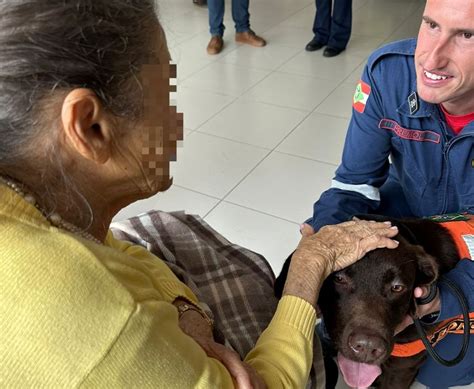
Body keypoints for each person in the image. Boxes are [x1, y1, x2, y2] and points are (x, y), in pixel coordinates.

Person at [0, 1, 400, 387]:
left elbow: (109, 246)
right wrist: (309, 264)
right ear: (91, 127)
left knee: (173, 226)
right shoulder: (97, 323)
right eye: (166, 96)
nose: (179, 120)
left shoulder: (35, 203)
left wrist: (185, 309)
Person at [303, 0, 474, 387]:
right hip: (414, 207)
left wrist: (443, 298)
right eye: (431, 25)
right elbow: (353, 183)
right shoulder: (389, 72)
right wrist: (328, 246)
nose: (431, 57)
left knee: (440, 370)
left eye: (466, 35)